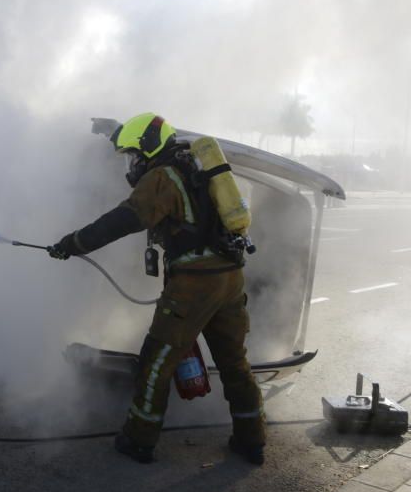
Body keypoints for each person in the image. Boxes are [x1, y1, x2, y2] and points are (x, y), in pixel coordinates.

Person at [50, 113, 265, 465]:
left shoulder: (162, 177)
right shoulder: (194, 167)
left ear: (147, 149)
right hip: (229, 276)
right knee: (235, 362)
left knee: (157, 360)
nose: (132, 164)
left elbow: (123, 220)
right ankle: (252, 439)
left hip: (195, 283)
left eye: (133, 154)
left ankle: (139, 439)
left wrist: (72, 243)